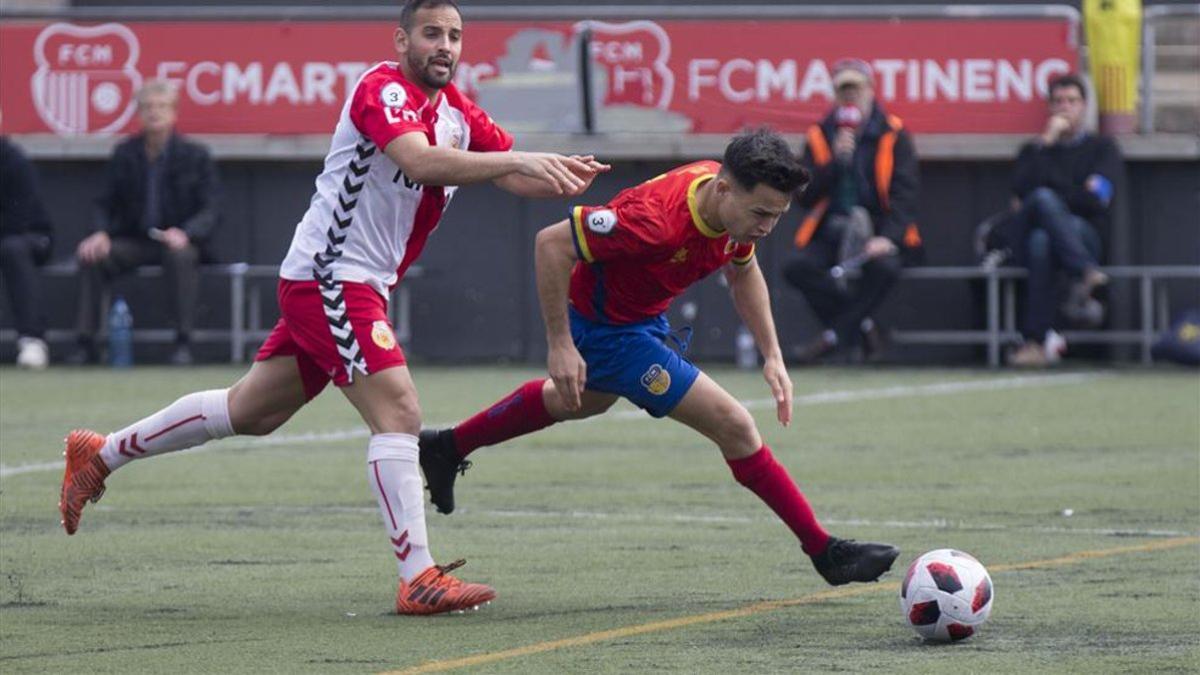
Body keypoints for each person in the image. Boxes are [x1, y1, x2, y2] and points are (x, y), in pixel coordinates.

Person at [59, 0, 608, 616]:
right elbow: (419, 160)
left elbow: (511, 176)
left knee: (251, 411)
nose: (445, 46)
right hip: (331, 278)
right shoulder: (382, 88)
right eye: (431, 33)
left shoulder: (457, 113)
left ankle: (99, 453)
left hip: (356, 285)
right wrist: (517, 159)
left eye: (454, 35)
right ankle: (418, 577)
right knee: (399, 410)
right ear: (402, 40)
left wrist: (559, 175)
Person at [419, 128, 900, 588]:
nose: (767, 227)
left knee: (582, 401)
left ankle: (446, 446)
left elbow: (743, 268)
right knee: (734, 425)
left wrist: (772, 354)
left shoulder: (732, 205)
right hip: (610, 333)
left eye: (776, 216)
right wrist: (561, 344)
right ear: (724, 189)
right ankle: (824, 551)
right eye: (760, 213)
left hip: (641, 319)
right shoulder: (655, 222)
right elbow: (551, 243)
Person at [70, 79, 220, 366]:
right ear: (138, 114)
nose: (154, 113)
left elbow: (211, 209)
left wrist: (186, 232)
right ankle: (85, 343)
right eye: (148, 107)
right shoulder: (124, 154)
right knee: (93, 256)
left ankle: (183, 342)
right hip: (134, 239)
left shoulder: (195, 156)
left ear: (174, 113)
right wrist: (100, 232)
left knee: (181, 257)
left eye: (162, 107)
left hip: (177, 241)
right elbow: (104, 201)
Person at [782, 59, 922, 363]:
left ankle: (832, 337)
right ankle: (865, 328)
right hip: (834, 228)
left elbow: (906, 193)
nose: (850, 97)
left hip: (878, 228)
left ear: (871, 91)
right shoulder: (820, 134)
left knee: (884, 267)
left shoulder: (893, 133)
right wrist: (834, 160)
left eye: (856, 90)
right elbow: (804, 195)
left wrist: (887, 237)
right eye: (843, 91)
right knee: (796, 267)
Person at [1002, 73, 1119, 367]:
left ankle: (1035, 341)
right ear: (1049, 108)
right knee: (1041, 207)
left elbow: (1096, 200)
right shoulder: (1034, 150)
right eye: (1058, 102)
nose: (1065, 108)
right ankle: (1085, 273)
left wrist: (1054, 196)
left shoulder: (1102, 148)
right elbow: (1019, 195)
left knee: (1044, 226)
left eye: (1072, 101)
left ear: (1084, 106)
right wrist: (1048, 142)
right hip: (1031, 237)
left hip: (1085, 234)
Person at [0, 134, 54, 369]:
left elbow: (18, 219)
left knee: (13, 249)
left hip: (30, 235)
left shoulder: (14, 160)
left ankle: (32, 340)